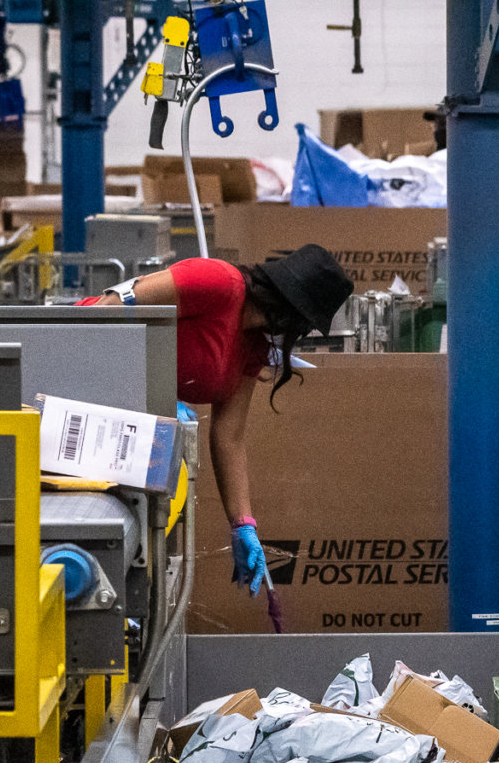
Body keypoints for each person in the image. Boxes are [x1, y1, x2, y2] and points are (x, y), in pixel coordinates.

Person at [89, 243, 352, 594]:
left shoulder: (253, 346)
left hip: (113, 430)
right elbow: (109, 309)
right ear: (296, 313)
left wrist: (243, 524)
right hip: (77, 367)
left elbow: (229, 436)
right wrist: (146, 392)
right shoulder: (219, 283)